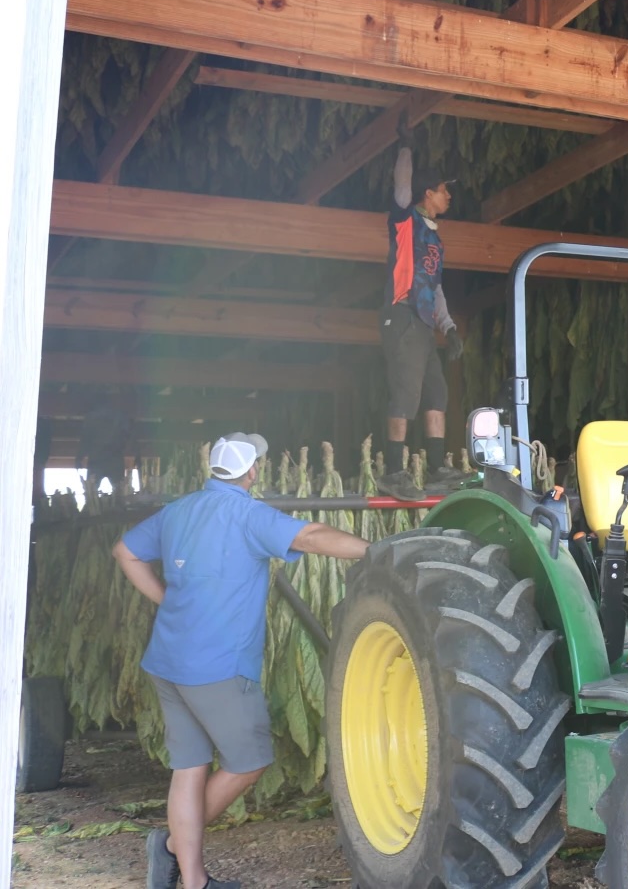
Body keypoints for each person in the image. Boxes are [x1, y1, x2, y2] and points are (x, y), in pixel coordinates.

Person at [112, 432, 369, 889]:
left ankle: (192, 880)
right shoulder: (247, 514)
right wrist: (376, 550)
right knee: (247, 763)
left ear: (214, 468)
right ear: (253, 472)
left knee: (189, 768)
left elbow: (125, 552)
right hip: (218, 668)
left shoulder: (179, 510)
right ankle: (172, 844)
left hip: (168, 660)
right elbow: (310, 535)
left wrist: (165, 599)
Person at [382, 113, 468, 501]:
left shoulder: (436, 239)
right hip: (401, 315)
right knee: (406, 392)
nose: (449, 196)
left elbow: (435, 289)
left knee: (437, 393)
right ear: (427, 195)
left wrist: (448, 328)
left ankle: (437, 470)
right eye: (443, 190)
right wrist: (405, 147)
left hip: (424, 323)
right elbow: (402, 184)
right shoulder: (405, 220)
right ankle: (394, 472)